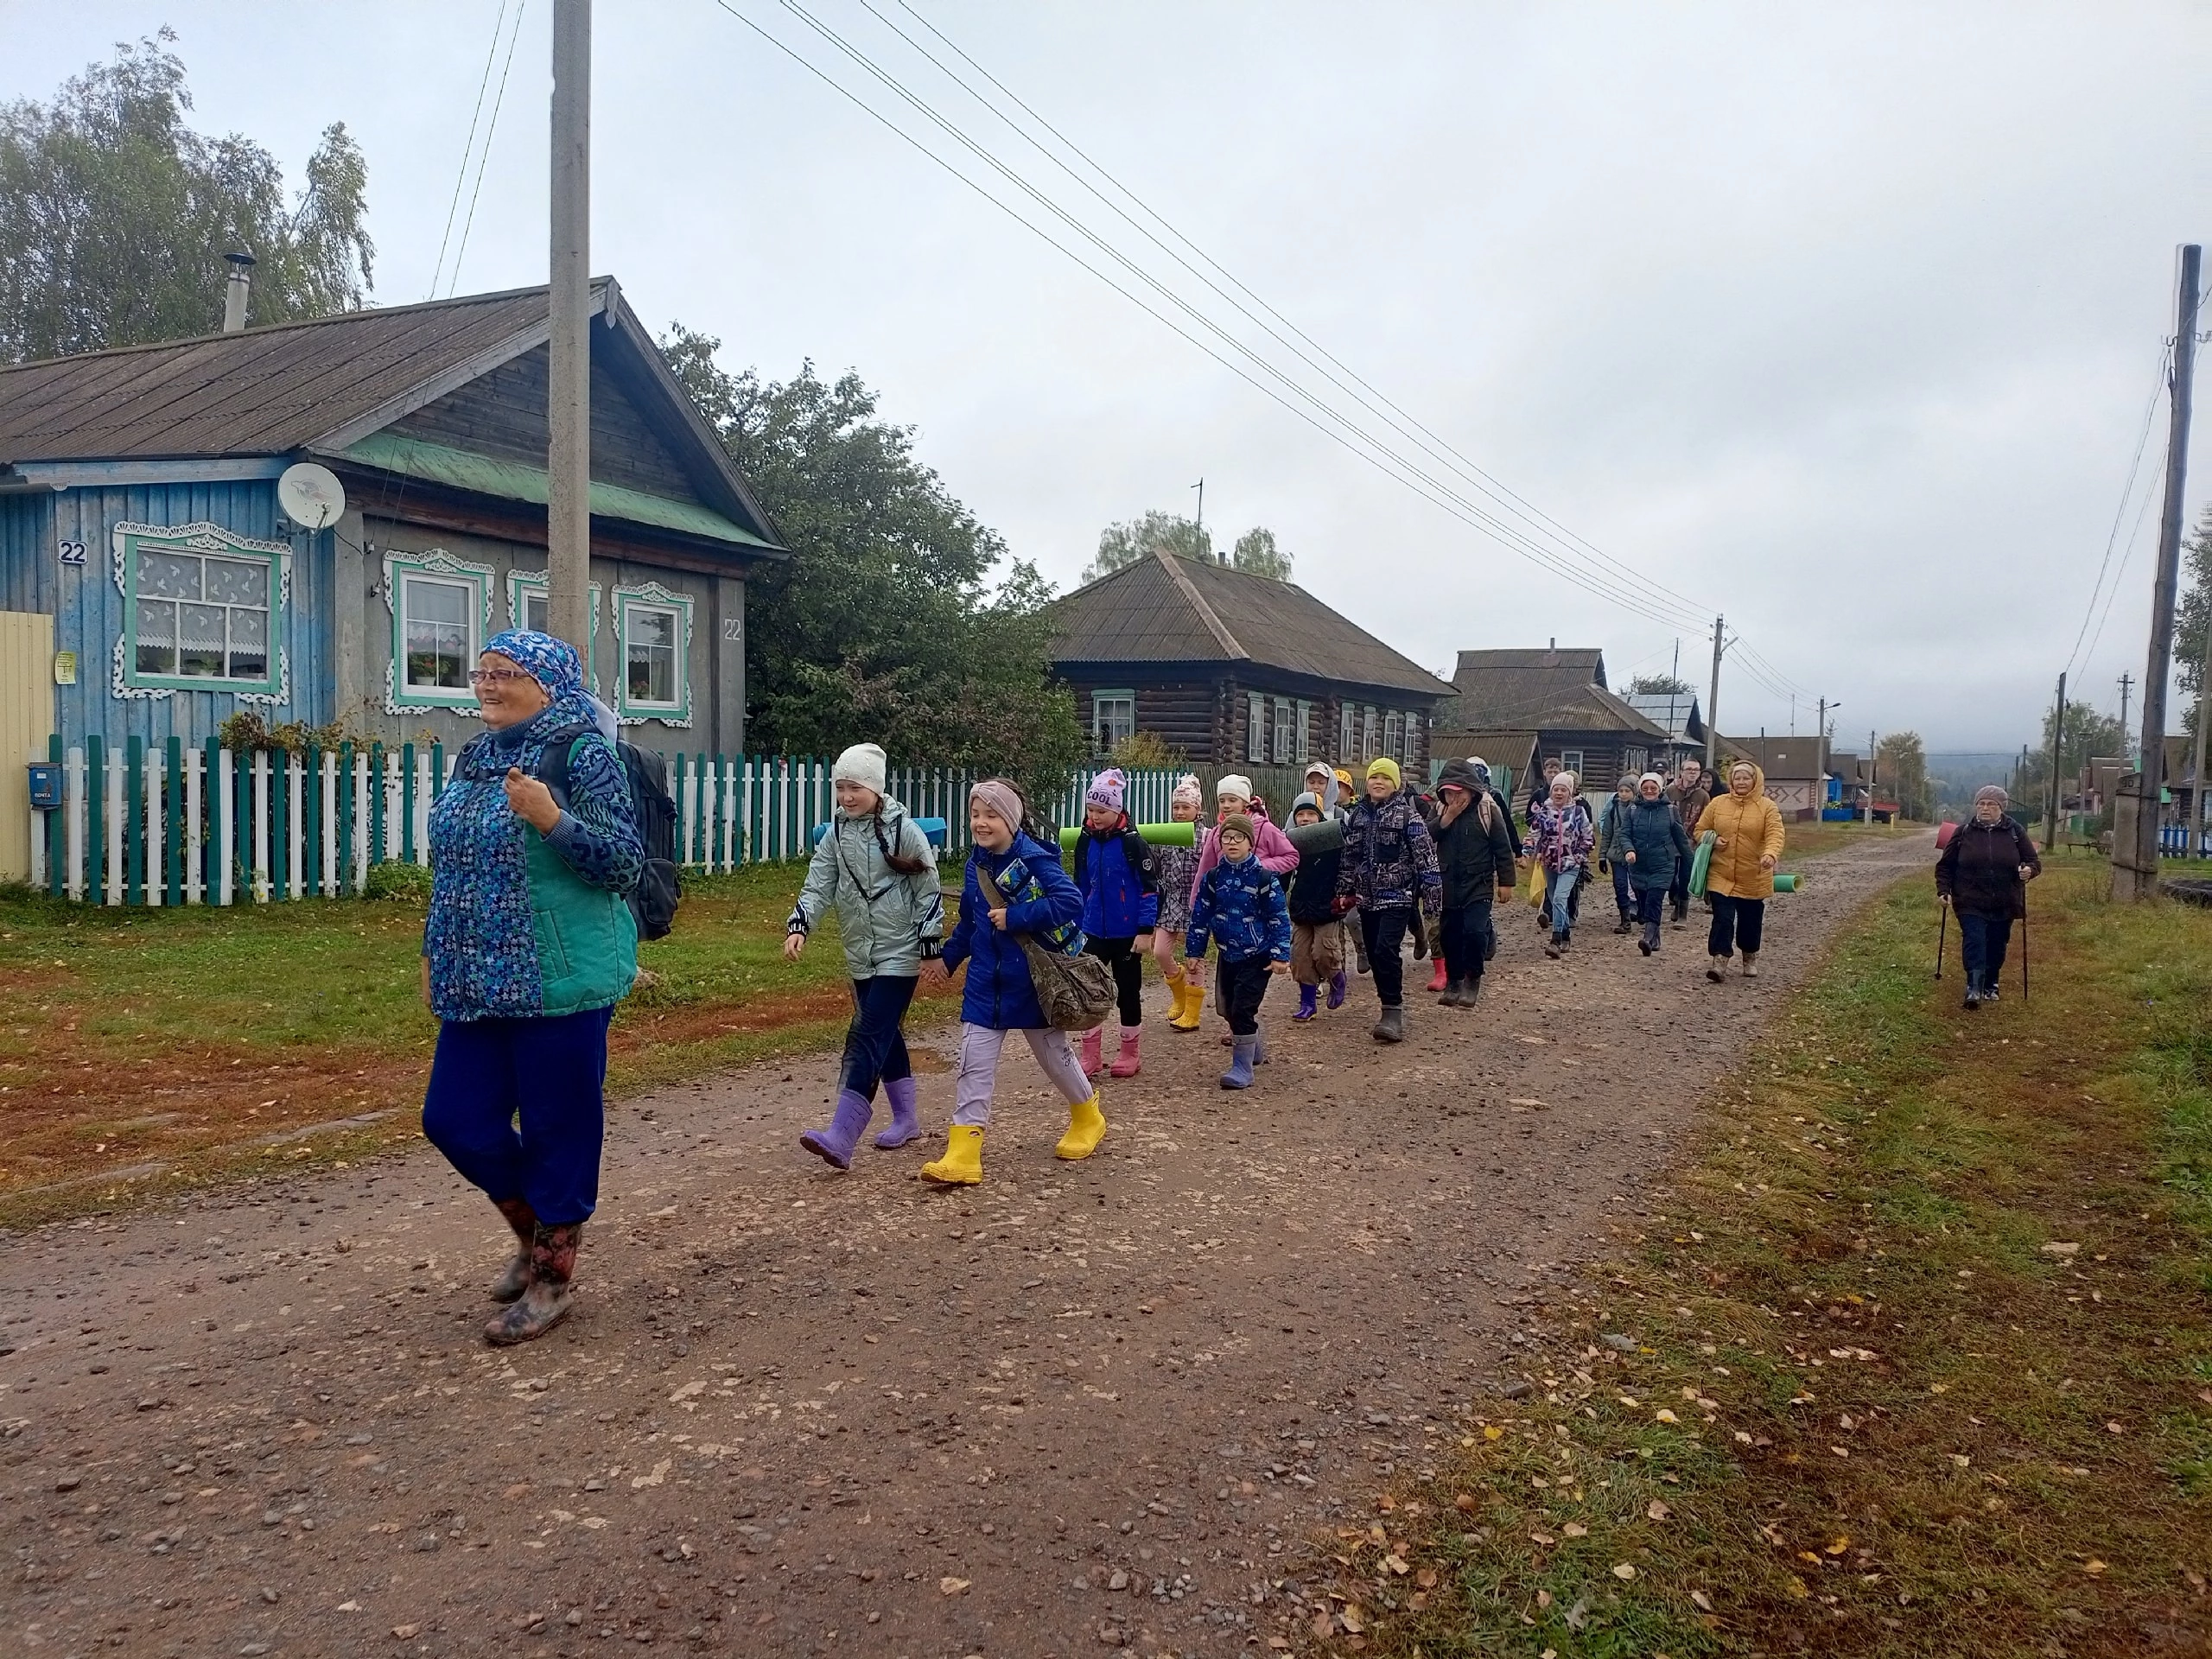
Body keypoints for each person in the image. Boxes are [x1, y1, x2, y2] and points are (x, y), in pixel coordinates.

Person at [420, 629, 643, 1347]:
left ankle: (552, 1275)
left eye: (504, 673)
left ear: (547, 685)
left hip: (560, 976)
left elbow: (622, 865)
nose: (486, 683)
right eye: (481, 671)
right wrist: (433, 951)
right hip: (476, 974)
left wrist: (552, 819)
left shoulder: (584, 752)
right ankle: (532, 1232)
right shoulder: (475, 757)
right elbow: (451, 868)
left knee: (559, 1128)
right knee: (454, 1121)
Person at [922, 779, 1103, 1186]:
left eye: (991, 815)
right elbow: (970, 921)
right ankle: (964, 1153)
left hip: (1035, 984)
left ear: (1011, 819)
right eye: (975, 815)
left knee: (1054, 1058)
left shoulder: (1036, 859)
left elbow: (1070, 903)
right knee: (973, 1063)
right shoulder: (975, 866)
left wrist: (1017, 918)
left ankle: (1088, 1115)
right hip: (986, 984)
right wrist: (948, 960)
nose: (981, 824)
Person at [785, 742, 943, 1169]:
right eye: (840, 788)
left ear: (875, 788)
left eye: (854, 787)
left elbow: (927, 890)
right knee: (886, 1034)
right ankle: (907, 1119)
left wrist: (930, 948)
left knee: (868, 1033)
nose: (846, 797)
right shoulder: (835, 834)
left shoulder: (904, 831)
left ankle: (842, 1135)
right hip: (861, 953)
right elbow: (818, 884)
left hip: (901, 953)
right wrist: (800, 925)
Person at [1334, 757, 1442, 1043]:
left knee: (1385, 951)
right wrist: (1344, 893)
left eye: (1385, 778)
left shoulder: (1409, 817)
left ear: (1395, 785)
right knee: (1374, 952)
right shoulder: (1357, 816)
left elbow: (1427, 862)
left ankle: (1392, 1012)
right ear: (1366, 783)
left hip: (1398, 898)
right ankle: (1387, 1004)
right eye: (1373, 778)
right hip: (1366, 899)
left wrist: (1432, 903)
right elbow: (1349, 857)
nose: (1378, 782)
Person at [1185, 813, 1293, 1088]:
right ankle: (1254, 1039)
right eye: (1226, 838)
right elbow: (1201, 917)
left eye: (1238, 837)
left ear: (1250, 842)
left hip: (1258, 955)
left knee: (1243, 1009)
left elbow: (1278, 917)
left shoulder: (1265, 879)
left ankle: (1241, 1069)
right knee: (1227, 1010)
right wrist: (1194, 952)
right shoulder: (1213, 879)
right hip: (1227, 954)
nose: (1231, 843)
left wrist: (1281, 954)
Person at [1071, 768, 1160, 1078]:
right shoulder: (1085, 840)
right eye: (1091, 809)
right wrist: (1078, 923)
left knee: (1127, 992)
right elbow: (1081, 884)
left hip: (1127, 934)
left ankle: (1129, 1053)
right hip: (1093, 929)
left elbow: (1150, 887)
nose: (1095, 816)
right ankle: (1091, 1055)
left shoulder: (1133, 843)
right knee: (1090, 990)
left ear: (1117, 809)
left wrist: (1146, 930)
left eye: (1102, 811)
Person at [1936, 783, 2040, 1008]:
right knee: (1974, 941)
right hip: (1969, 899)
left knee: (1997, 943)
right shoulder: (1963, 832)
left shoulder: (2015, 832)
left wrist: (2028, 871)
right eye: (1981, 804)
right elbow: (1945, 866)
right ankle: (1973, 987)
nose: (1985, 808)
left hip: (2005, 899)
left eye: (1991, 805)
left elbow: (2033, 861)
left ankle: (1991, 982)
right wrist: (1944, 890)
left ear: (2002, 808)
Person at [1431, 758, 1517, 1007]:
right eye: (1448, 792)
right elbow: (1425, 837)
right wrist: (1448, 817)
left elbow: (1502, 847)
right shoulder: (1438, 811)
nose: (1454, 798)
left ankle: (1472, 978)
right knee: (1449, 935)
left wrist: (1506, 882)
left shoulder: (1488, 810)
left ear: (1471, 789)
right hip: (1446, 883)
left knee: (1475, 932)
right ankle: (1454, 981)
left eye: (1459, 792)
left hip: (1478, 884)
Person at [1695, 760, 1786, 982]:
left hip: (1753, 874)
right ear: (1731, 781)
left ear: (1755, 781)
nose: (1742, 782)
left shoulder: (1767, 807)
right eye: (1737, 778)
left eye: (1746, 778)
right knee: (1722, 918)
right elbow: (1699, 830)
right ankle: (1719, 961)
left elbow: (1776, 833)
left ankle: (1749, 956)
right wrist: (1713, 839)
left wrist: (1770, 854)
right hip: (1721, 873)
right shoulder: (1718, 804)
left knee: (1750, 921)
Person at [1286, 791, 1347, 1020]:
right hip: (1301, 909)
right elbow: (1283, 871)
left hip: (1327, 908)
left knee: (1323, 953)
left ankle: (1337, 979)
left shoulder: (1331, 843)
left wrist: (1345, 895)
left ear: (1320, 818)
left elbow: (1347, 863)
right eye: (1300, 814)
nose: (1305, 819)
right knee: (1300, 957)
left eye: (1311, 814)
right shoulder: (1292, 844)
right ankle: (1308, 1003)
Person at [1152, 774, 1205, 1033]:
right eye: (1176, 807)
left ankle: (1192, 1014)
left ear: (1198, 809)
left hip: (1196, 906)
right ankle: (1179, 994)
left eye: (1186, 807)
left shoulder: (1206, 837)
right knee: (1160, 952)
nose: (1181, 812)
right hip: (1171, 904)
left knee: (1196, 958)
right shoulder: (1165, 836)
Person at [1618, 772, 1693, 957]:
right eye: (1645, 788)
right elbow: (1624, 833)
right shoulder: (1633, 810)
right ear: (1640, 790)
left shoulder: (1670, 810)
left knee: (1655, 899)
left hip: (1663, 864)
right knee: (1643, 903)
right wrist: (1629, 849)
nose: (1649, 791)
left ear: (1660, 790)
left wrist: (1691, 862)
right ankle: (1655, 938)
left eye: (1653, 788)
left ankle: (1647, 938)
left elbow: (1681, 839)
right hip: (1638, 865)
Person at [1523, 770, 1595, 958]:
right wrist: (1528, 853)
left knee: (1558, 900)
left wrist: (1579, 856)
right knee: (1556, 901)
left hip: (1571, 865)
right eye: (1556, 789)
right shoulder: (1544, 813)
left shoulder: (1578, 813)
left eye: (1563, 790)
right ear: (1551, 792)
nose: (1559, 793)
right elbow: (1533, 835)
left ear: (1569, 792)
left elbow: (1588, 838)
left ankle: (1555, 941)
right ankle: (1565, 934)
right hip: (1549, 864)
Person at [1599, 778, 1639, 935]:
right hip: (1616, 855)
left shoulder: (1640, 808)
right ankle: (1625, 921)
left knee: (1638, 886)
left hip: (1636, 856)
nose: (1623, 794)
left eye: (1627, 791)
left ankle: (1641, 912)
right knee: (1620, 887)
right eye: (1621, 790)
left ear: (1634, 791)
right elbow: (1607, 834)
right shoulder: (1613, 809)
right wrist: (1602, 856)